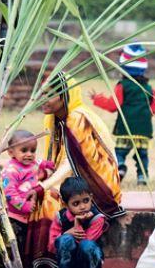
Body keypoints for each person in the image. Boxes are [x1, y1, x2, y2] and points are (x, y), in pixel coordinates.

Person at [39, 80, 125, 220]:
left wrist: (43, 186)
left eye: (48, 94)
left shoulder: (77, 118)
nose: (42, 98)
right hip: (75, 178)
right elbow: (54, 159)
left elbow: (71, 162)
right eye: (41, 93)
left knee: (48, 201)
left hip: (98, 186)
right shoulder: (53, 119)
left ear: (65, 95)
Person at [91, 44, 155, 184]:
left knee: (120, 151)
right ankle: (142, 177)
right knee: (142, 155)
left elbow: (112, 105)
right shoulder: (149, 88)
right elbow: (154, 107)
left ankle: (120, 167)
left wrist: (97, 99)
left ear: (123, 68)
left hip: (125, 128)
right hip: (143, 129)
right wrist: (143, 117)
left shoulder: (122, 86)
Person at [1, 129, 54, 268]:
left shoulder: (31, 161)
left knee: (26, 245)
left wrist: (49, 164)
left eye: (33, 150)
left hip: (27, 216)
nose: (29, 154)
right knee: (15, 244)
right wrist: (24, 206)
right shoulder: (11, 170)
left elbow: (41, 162)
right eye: (24, 150)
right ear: (11, 152)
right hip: (15, 216)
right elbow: (9, 194)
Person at [47, 177, 107, 268]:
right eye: (76, 203)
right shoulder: (60, 218)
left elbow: (86, 245)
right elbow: (51, 246)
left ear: (91, 198)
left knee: (87, 244)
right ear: (65, 204)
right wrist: (66, 233)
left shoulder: (97, 218)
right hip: (67, 267)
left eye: (86, 200)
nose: (83, 206)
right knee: (66, 239)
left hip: (88, 266)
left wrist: (77, 224)